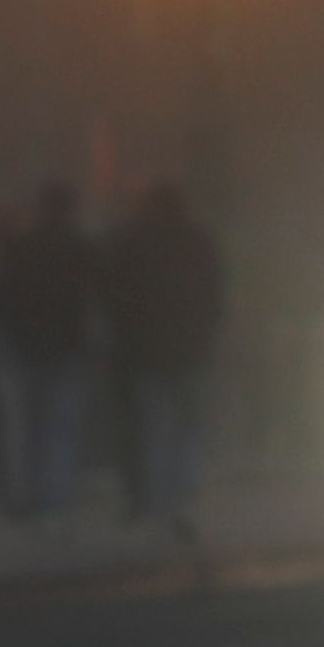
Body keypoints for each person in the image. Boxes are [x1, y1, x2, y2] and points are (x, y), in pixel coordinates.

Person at [102, 181, 224, 542]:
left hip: (146, 355)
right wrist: (207, 339)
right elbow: (214, 297)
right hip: (190, 352)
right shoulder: (200, 243)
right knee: (188, 428)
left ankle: (157, 501)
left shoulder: (134, 246)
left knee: (154, 429)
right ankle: (184, 497)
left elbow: (118, 300)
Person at [0, 183, 100, 520]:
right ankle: (54, 497)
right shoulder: (82, 249)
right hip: (67, 348)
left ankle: (23, 495)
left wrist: (13, 336)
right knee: (61, 426)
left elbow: (2, 300)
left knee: (24, 428)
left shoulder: (21, 248)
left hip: (24, 347)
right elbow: (92, 299)